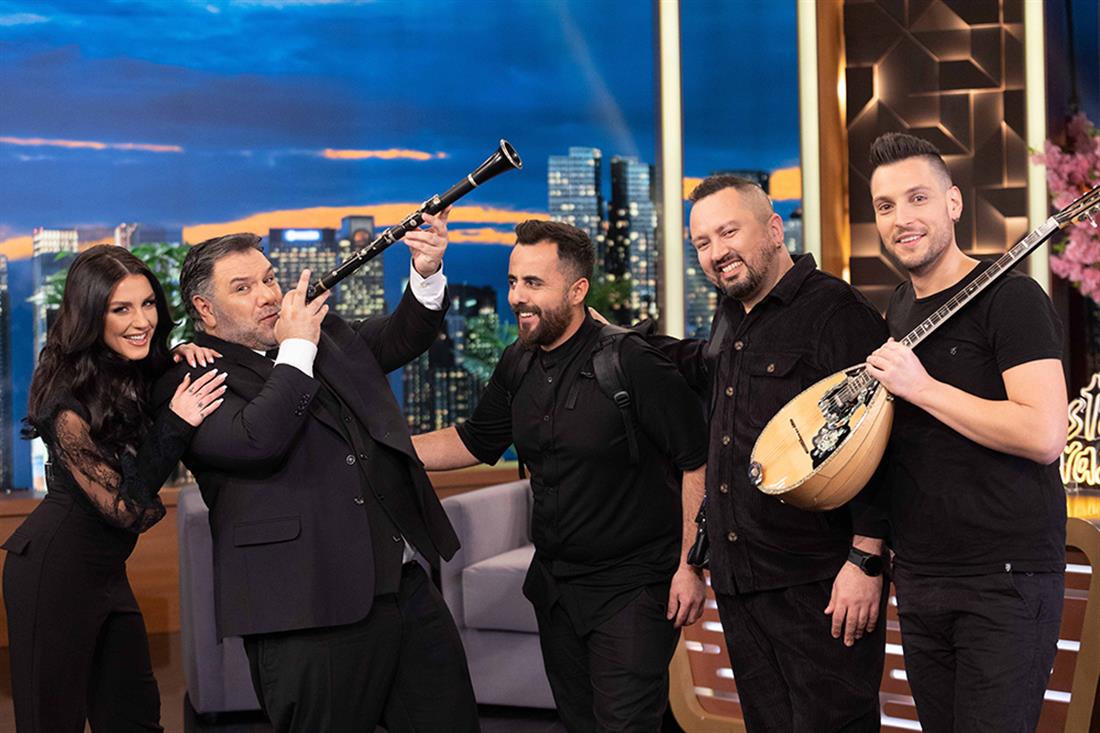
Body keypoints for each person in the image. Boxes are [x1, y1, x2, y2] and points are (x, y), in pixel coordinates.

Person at [153, 214, 479, 733]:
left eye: (268, 278)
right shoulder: (189, 375)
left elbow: (400, 337)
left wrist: (426, 271)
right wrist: (297, 347)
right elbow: (257, 441)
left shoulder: (324, 335)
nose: (267, 295)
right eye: (243, 287)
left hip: (403, 587)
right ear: (204, 309)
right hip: (304, 610)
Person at [411, 219, 708, 733]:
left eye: (534, 283)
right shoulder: (517, 362)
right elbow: (475, 440)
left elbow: (696, 460)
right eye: (512, 282)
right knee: (579, 723)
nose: (517, 298)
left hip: (633, 588)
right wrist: (384, 447)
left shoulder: (630, 361)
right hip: (555, 590)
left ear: (577, 290)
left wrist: (690, 566)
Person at [652, 175, 891, 732]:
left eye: (728, 232)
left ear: (775, 229)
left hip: (819, 585)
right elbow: (709, 390)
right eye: (702, 243)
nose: (716, 252)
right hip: (742, 584)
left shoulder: (838, 312)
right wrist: (616, 337)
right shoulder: (730, 315)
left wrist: (866, 560)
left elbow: (881, 444)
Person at [863, 132, 1067, 732]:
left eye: (917, 198)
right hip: (921, 577)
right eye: (885, 205)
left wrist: (922, 386)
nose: (901, 218)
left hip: (1004, 580)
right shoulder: (899, 307)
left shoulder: (1012, 297)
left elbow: (1044, 433)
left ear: (953, 203)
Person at [3, 245, 225, 733]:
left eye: (148, 304)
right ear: (90, 316)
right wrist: (176, 423)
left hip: (106, 573)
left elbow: (157, 378)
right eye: (120, 309)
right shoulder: (65, 402)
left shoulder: (133, 367)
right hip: (53, 572)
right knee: (51, 724)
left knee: (135, 718)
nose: (141, 321)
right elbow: (125, 509)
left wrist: (178, 357)